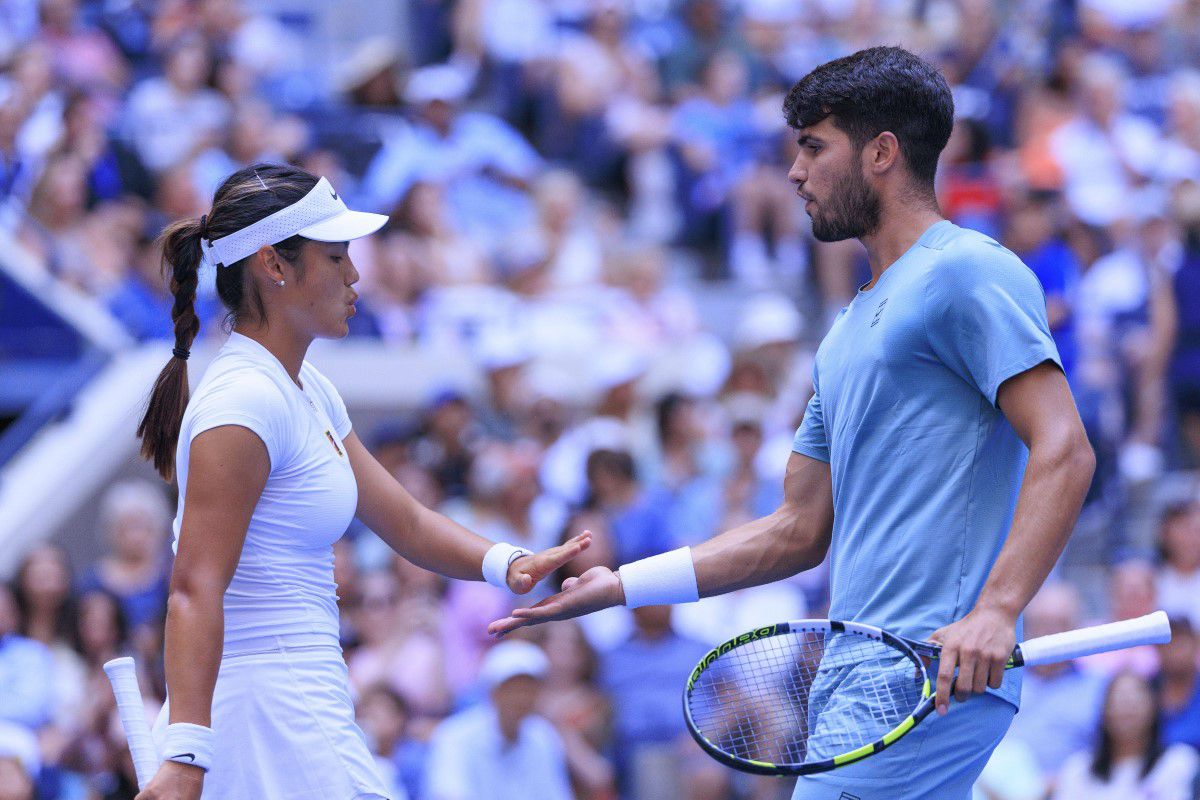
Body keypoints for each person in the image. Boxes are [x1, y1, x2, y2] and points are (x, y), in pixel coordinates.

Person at [490, 47, 1096, 800]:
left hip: (924, 673)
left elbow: (1065, 448)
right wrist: (624, 585)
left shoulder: (969, 270)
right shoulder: (843, 334)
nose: (794, 172)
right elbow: (795, 530)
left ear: (881, 153)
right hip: (857, 676)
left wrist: (998, 609)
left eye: (814, 147)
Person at [132, 163, 590, 800]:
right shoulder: (243, 403)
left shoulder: (305, 387)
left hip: (300, 697)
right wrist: (187, 751)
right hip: (263, 709)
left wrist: (508, 562)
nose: (354, 276)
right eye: (336, 256)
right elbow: (192, 587)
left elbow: (405, 520)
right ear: (273, 264)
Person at [423, 640, 573, 800]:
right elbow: (448, 794)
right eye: (513, 689)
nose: (522, 698)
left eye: (529, 689)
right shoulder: (454, 735)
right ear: (493, 692)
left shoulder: (543, 736)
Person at [1051, 671, 1199, 800]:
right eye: (1119, 700)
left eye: (1134, 700)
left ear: (1153, 707)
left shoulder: (1178, 762)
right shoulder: (1078, 770)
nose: (1126, 708)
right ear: (1103, 712)